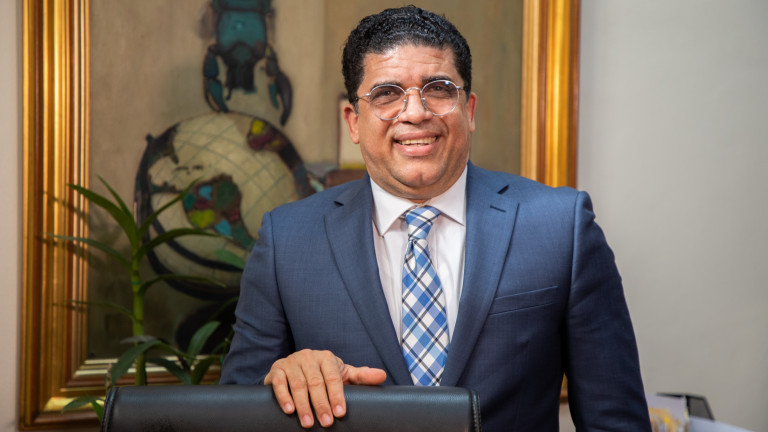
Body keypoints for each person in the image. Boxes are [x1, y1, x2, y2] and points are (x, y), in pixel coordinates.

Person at [220, 6, 651, 431]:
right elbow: (231, 419)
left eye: (439, 89)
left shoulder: (561, 227)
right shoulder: (287, 241)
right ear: (354, 121)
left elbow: (616, 422)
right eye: (386, 94)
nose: (415, 112)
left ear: (469, 110)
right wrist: (281, 381)